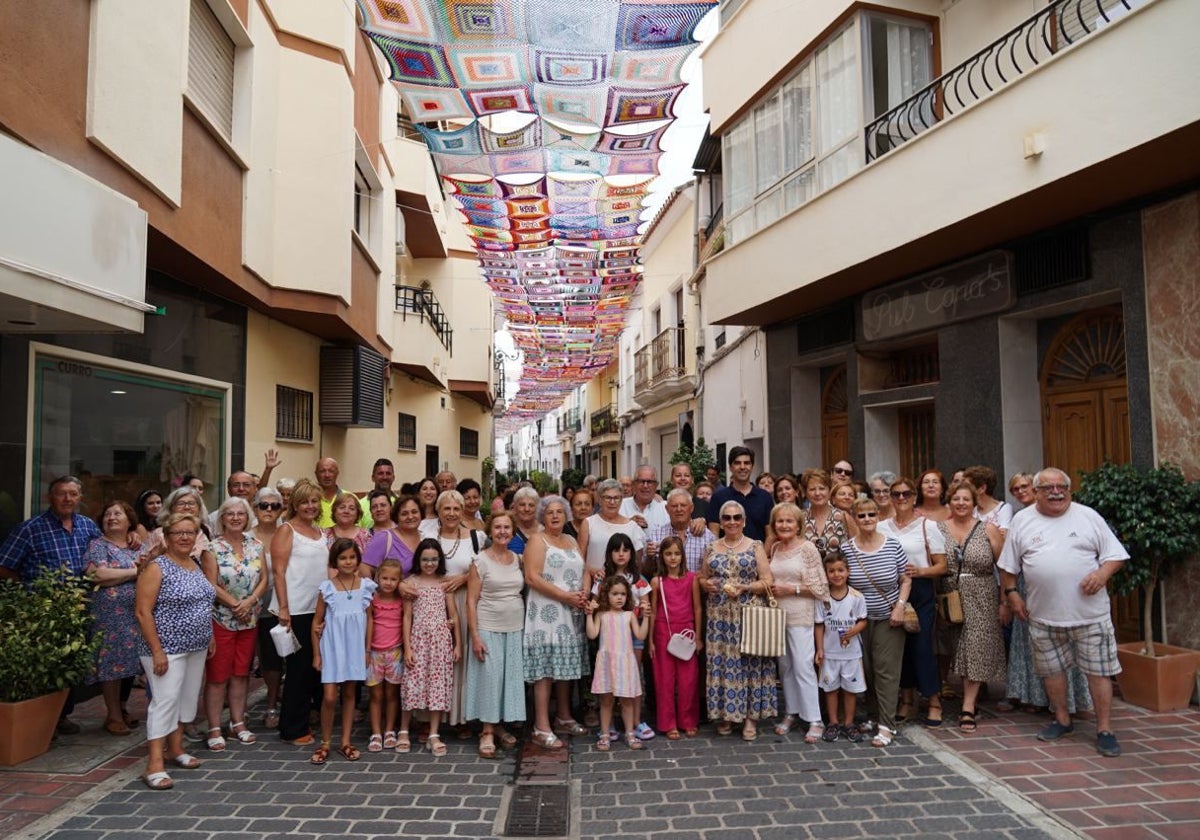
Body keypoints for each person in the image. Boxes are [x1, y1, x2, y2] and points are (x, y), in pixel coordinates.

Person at [999, 468, 1129, 758]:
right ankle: (1062, 719)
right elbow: (1008, 567)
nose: (1056, 492)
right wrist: (1012, 594)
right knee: (1052, 672)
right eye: (1048, 487)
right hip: (1043, 616)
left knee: (1099, 672)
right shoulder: (1023, 520)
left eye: (1062, 486)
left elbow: (1115, 555)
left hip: (1090, 615)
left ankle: (1105, 729)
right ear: (1037, 492)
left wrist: (1102, 574)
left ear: (1070, 490)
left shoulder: (1088, 516)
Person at [0, 475, 105, 734]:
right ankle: (41, 719)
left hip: (79, 608)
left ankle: (61, 716)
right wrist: (28, 588)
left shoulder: (88, 526)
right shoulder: (30, 528)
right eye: (61, 494)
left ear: (80, 498)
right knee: (45, 664)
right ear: (50, 497)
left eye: (73, 494)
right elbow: (4, 566)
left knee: (70, 662)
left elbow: (106, 551)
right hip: (43, 610)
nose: (67, 499)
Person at [133, 511, 215, 790]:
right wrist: (157, 651)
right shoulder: (157, 567)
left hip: (196, 646)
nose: (184, 537)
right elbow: (143, 612)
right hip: (166, 648)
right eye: (177, 533)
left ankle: (176, 749)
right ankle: (153, 764)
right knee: (165, 701)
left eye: (189, 533)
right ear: (166, 537)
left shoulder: (194, 563)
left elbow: (203, 604)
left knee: (185, 700)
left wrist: (210, 635)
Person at [699, 499, 777, 741]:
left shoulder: (755, 546)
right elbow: (702, 578)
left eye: (736, 518)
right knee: (722, 665)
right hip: (719, 618)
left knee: (749, 666)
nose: (731, 522)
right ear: (720, 522)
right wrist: (707, 585)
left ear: (743, 521)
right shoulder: (711, 547)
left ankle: (750, 718)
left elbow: (768, 581)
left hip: (747, 615)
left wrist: (745, 587)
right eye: (727, 518)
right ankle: (726, 715)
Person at [841, 498, 910, 748]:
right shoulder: (847, 549)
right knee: (867, 670)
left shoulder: (892, 545)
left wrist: (900, 606)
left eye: (872, 515)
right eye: (862, 516)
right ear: (855, 519)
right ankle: (872, 715)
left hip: (888, 617)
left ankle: (887, 724)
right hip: (859, 620)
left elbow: (905, 579)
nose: (868, 519)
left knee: (885, 672)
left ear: (878, 517)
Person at [523, 496, 590, 749]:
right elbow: (532, 577)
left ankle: (564, 716)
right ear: (542, 516)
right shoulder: (537, 541)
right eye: (549, 512)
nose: (554, 516)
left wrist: (583, 593)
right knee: (546, 671)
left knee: (565, 669)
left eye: (559, 512)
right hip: (546, 612)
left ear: (566, 515)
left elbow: (584, 569)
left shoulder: (571, 540)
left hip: (572, 612)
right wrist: (566, 596)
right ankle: (541, 727)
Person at [938, 482, 1006, 733]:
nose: (961, 503)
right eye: (956, 499)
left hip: (982, 594)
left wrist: (1004, 601)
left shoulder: (987, 529)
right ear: (949, 502)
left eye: (966, 499)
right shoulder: (938, 529)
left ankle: (967, 707)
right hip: (950, 595)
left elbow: (1004, 567)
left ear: (974, 503)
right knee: (956, 647)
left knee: (975, 647)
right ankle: (968, 697)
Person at [879, 476, 947, 726]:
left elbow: (942, 566)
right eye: (895, 494)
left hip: (920, 591)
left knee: (921, 647)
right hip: (891, 591)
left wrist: (921, 572)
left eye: (906, 494)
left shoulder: (927, 527)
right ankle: (907, 700)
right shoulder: (882, 527)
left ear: (914, 497)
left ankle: (933, 700)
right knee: (900, 648)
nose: (900, 498)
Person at [203, 497, 267, 751]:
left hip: (249, 618)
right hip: (222, 619)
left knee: (241, 673)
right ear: (222, 518)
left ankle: (238, 723)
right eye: (230, 513)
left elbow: (264, 579)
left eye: (241, 513)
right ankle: (214, 727)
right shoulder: (212, 547)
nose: (236, 517)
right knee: (218, 676)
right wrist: (235, 605)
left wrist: (249, 601)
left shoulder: (257, 545)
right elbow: (210, 583)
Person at [270, 478, 328, 745]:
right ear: (294, 504)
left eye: (314, 501)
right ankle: (293, 728)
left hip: (317, 609)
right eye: (304, 501)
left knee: (313, 670)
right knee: (298, 670)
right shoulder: (287, 530)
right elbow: (278, 571)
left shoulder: (321, 533)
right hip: (295, 609)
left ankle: (305, 719)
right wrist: (284, 608)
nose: (310, 506)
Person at [465, 512, 526, 758]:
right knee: (490, 679)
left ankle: (499, 724)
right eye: (498, 527)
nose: (502, 531)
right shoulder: (480, 561)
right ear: (490, 531)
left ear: (512, 532)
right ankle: (487, 731)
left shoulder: (518, 559)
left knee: (507, 679)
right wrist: (475, 636)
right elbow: (471, 601)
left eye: (507, 527)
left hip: (515, 626)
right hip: (488, 625)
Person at [309, 539, 376, 764]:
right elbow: (316, 623)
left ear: (358, 559)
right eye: (343, 558)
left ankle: (345, 741)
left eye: (352, 557)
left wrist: (367, 650)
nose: (348, 562)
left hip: (355, 647)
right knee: (329, 696)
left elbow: (369, 620)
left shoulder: (366, 586)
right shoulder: (327, 588)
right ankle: (325, 742)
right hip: (332, 647)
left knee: (349, 694)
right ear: (335, 561)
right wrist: (317, 654)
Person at [767, 502, 829, 743]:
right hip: (778, 617)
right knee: (785, 668)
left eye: (789, 521)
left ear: (798, 525)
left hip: (801, 616)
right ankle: (791, 712)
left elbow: (820, 587)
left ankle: (814, 719)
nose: (784, 525)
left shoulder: (807, 549)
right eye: (780, 521)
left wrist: (789, 588)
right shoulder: (775, 548)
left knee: (803, 666)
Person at [425, 490, 484, 736]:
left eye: (456, 509)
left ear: (463, 512)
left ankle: (461, 718)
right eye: (446, 509)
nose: (451, 514)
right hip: (435, 605)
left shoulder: (476, 537)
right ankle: (432, 716)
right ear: (438, 511)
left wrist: (463, 578)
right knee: (437, 660)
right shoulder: (426, 535)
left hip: (465, 601)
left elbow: (483, 568)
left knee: (462, 661)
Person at [83, 501, 143, 736]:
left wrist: (114, 577)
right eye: (107, 514)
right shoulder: (97, 545)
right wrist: (134, 572)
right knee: (111, 663)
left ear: (129, 520)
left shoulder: (137, 545)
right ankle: (113, 715)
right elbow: (97, 574)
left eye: (117, 514)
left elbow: (151, 571)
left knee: (130, 662)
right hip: (109, 615)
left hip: (136, 613)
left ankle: (123, 708)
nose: (111, 517)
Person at [590, 533, 654, 741]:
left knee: (631, 679)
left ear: (631, 554)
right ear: (609, 553)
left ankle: (635, 722)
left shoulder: (639, 580)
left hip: (632, 634)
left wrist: (643, 611)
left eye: (625, 550)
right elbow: (595, 603)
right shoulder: (602, 579)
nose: (621, 554)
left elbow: (645, 605)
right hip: (609, 636)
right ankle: (609, 726)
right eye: (616, 550)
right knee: (609, 680)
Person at [400, 539, 460, 758]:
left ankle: (434, 733)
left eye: (434, 559)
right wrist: (407, 647)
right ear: (418, 560)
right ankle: (404, 729)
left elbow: (453, 615)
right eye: (425, 559)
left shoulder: (444, 584)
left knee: (437, 686)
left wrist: (457, 644)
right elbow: (407, 617)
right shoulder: (411, 583)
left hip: (441, 642)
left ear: (440, 560)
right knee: (411, 683)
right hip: (418, 639)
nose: (429, 563)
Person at [586, 576, 650, 752]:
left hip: (625, 663)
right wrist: (589, 614)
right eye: (615, 594)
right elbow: (592, 634)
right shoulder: (602, 615)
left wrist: (646, 618)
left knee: (627, 700)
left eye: (622, 594)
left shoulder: (629, 615)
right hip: (607, 663)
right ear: (606, 595)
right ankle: (605, 733)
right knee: (606, 701)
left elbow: (641, 635)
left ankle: (630, 732)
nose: (619, 598)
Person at [648, 536, 701, 739]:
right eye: (668, 553)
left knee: (688, 680)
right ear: (662, 556)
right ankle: (668, 722)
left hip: (686, 631)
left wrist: (698, 637)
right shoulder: (657, 581)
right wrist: (651, 640)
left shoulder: (692, 578)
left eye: (677, 554)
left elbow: (697, 608)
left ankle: (688, 720)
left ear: (683, 556)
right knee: (664, 680)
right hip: (663, 631)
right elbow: (653, 610)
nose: (673, 558)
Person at [814, 552, 868, 742]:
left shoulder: (856, 597)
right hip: (830, 653)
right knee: (830, 689)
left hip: (851, 654)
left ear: (848, 572)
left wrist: (854, 631)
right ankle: (833, 722)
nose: (836, 575)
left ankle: (849, 723)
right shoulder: (823, 598)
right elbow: (819, 624)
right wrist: (820, 649)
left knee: (850, 689)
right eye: (831, 571)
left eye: (840, 570)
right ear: (826, 573)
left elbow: (863, 620)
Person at [250, 487, 286, 731]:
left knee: (285, 656)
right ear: (255, 508)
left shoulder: (288, 533)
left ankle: (282, 699)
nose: (269, 510)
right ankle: (271, 703)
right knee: (267, 659)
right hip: (254, 605)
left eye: (275, 506)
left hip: (284, 603)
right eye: (264, 505)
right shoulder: (246, 537)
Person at [366, 559, 404, 753]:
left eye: (393, 579)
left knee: (391, 694)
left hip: (395, 652)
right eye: (385, 578)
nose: (389, 582)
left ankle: (389, 730)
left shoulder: (401, 601)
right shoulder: (372, 599)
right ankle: (376, 732)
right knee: (375, 694)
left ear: (399, 581)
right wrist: (365, 650)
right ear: (378, 578)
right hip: (374, 652)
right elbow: (369, 623)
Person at [578, 479, 645, 580]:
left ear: (621, 499)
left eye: (616, 498)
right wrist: (594, 571)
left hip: (623, 588)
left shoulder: (632, 527)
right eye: (608, 498)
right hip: (594, 582)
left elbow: (637, 564)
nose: (612, 502)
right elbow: (579, 559)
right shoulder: (588, 523)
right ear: (600, 500)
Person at [707, 447, 773, 541]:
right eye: (737, 463)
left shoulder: (765, 497)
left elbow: (770, 535)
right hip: (727, 554)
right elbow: (714, 534)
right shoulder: (718, 497)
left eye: (746, 463)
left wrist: (761, 555)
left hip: (759, 554)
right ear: (730, 467)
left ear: (752, 467)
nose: (742, 467)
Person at [648, 488, 715, 575]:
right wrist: (649, 557)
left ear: (691, 508)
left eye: (683, 505)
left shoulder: (707, 536)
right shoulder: (656, 535)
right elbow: (647, 571)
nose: (679, 509)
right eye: (674, 506)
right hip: (666, 587)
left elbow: (712, 571)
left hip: (696, 587)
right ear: (667, 509)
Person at [364, 494, 422, 576]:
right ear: (396, 516)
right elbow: (364, 568)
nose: (410, 516)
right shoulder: (384, 538)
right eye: (404, 514)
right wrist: (375, 588)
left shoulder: (426, 537)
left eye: (414, 512)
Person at [800, 468, 852, 560]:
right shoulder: (799, 517)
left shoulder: (843, 517)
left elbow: (857, 548)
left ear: (829, 490)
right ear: (805, 493)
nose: (817, 493)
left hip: (838, 573)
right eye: (812, 489)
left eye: (822, 488)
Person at [963, 465, 1013, 532]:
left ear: (982, 488)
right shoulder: (972, 511)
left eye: (968, 486)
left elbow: (1003, 535)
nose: (963, 490)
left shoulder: (1003, 509)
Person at [620, 465, 670, 533]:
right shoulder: (620, 506)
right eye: (641, 481)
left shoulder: (666, 508)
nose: (645, 486)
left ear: (656, 485)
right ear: (634, 484)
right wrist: (628, 524)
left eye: (649, 482)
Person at [325, 491, 370, 563]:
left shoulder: (366, 535)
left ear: (357, 513)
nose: (346, 511)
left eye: (352, 508)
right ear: (334, 511)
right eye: (342, 507)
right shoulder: (324, 535)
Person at [357, 459, 397, 527]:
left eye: (388, 473)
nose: (385, 477)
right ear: (373, 477)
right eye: (380, 473)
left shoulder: (400, 503)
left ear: (393, 477)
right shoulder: (360, 505)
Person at [508, 486, 541, 555]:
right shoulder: (507, 529)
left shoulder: (545, 530)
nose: (526, 509)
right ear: (515, 507)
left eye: (531, 505)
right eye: (522, 505)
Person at [313, 458, 343, 528]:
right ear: (316, 474)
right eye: (322, 471)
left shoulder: (349, 497)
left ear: (337, 473)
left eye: (331, 471)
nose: (327, 475)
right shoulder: (308, 499)